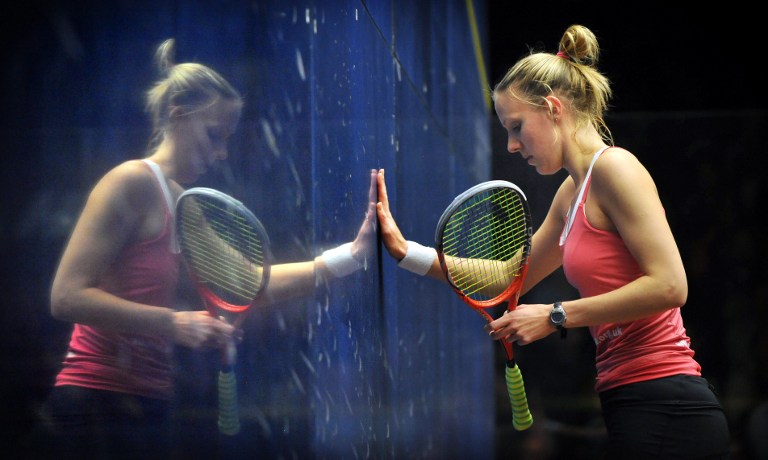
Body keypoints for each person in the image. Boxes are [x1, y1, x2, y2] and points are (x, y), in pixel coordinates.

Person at [376, 24, 730, 459]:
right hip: (629, 400)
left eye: (517, 126)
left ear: (553, 108)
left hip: (667, 406)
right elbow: (511, 279)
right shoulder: (571, 193)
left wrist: (556, 315)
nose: (510, 144)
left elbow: (671, 285)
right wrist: (406, 252)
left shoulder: (615, 168)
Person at [35, 38, 372, 459]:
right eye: (214, 135)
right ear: (179, 113)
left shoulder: (183, 204)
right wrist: (175, 323)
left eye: (227, 139)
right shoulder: (130, 181)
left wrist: (352, 257)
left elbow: (249, 283)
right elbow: (65, 297)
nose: (221, 153)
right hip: (91, 407)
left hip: (145, 410)